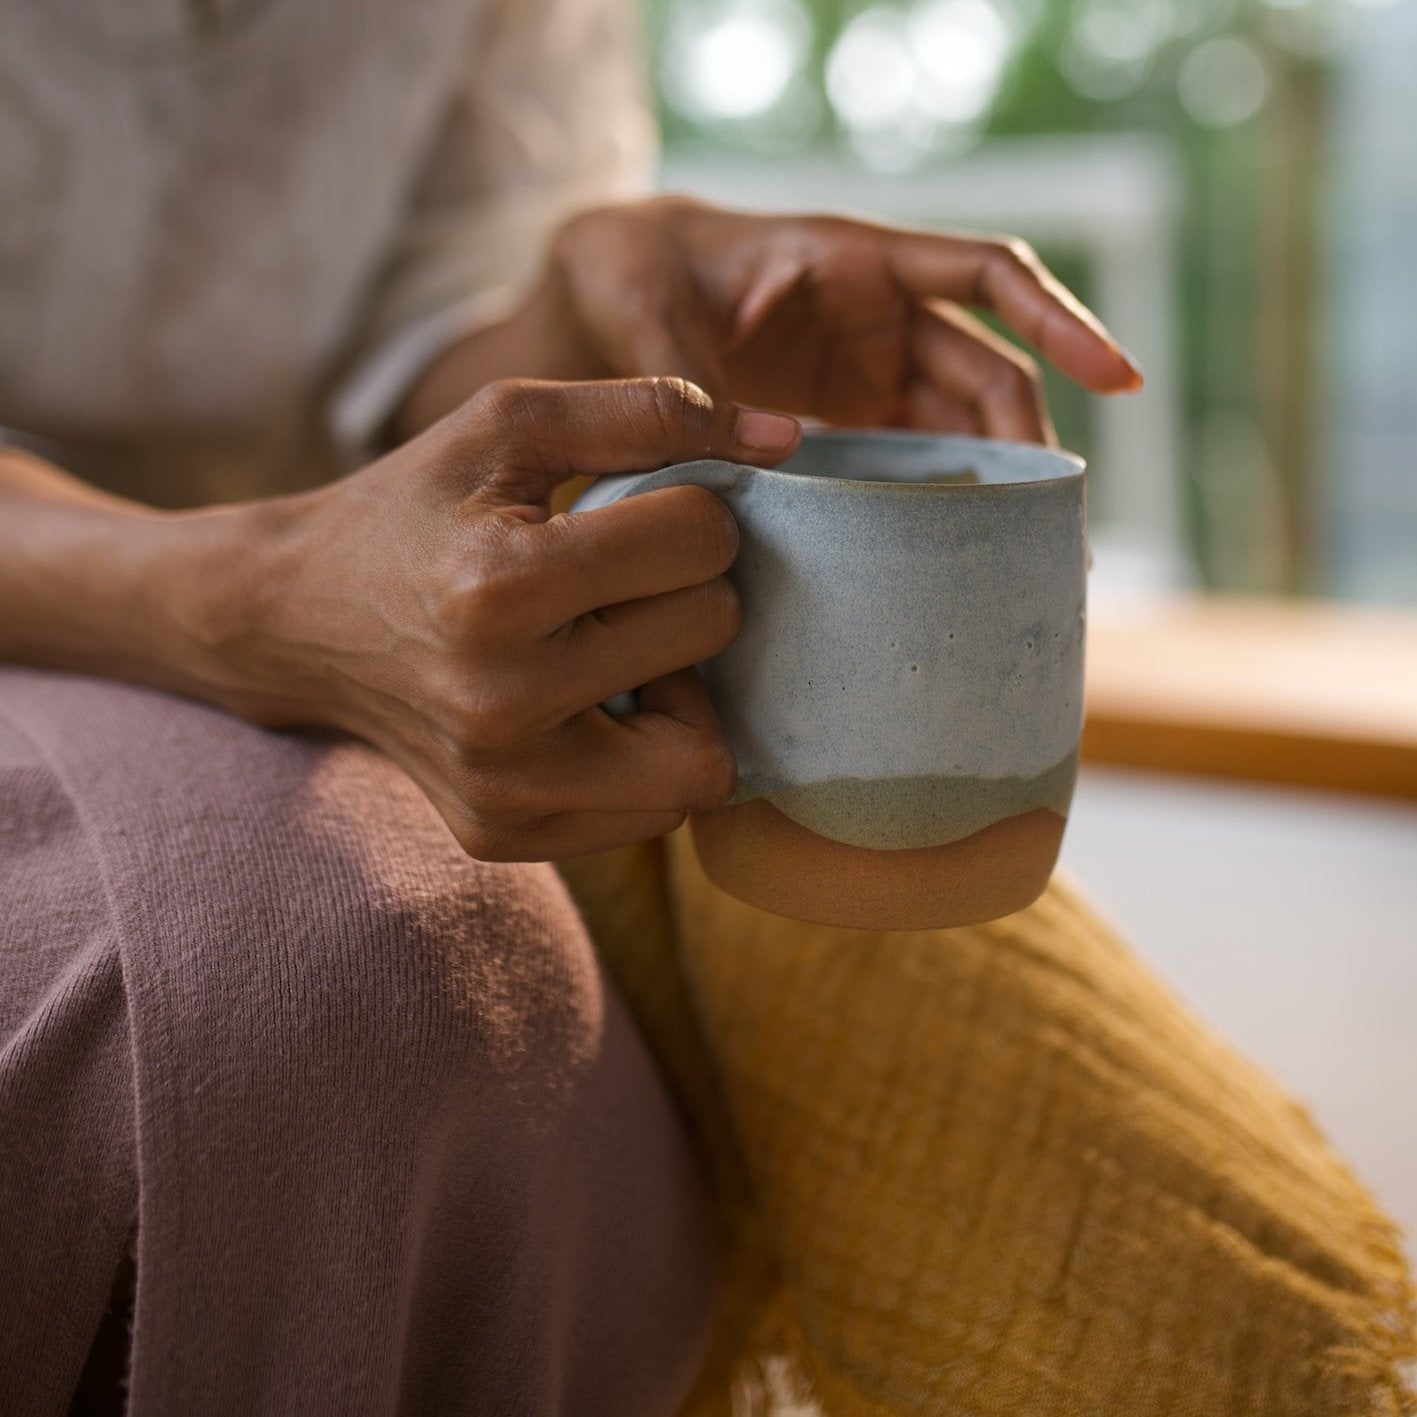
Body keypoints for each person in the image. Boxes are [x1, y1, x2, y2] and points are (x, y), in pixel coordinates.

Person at [1, 2, 1411, 1415]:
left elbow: (396, 372)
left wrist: (572, 314)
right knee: (350, 982)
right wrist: (245, 597)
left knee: (1055, 1112)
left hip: (359, 587)